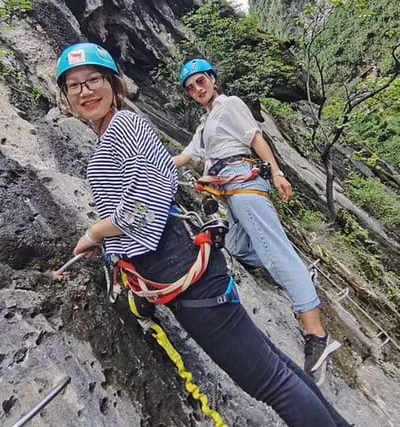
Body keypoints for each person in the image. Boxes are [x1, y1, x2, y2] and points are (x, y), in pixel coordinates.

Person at [55, 42, 350, 427]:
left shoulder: (123, 125)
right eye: (74, 85)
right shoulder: (120, 127)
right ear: (65, 95)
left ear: (113, 83)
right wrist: (110, 242)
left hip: (180, 269)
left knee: (268, 382)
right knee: (271, 366)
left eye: (93, 80)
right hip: (182, 262)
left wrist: (96, 233)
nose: (85, 91)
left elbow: (147, 197)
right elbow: (162, 173)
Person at [172, 58, 341, 382]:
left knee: (274, 254)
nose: (197, 89)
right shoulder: (205, 127)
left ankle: (317, 336)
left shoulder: (230, 105)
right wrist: (154, 165)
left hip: (242, 181)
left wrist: (277, 172)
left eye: (201, 81)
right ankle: (300, 274)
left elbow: (256, 138)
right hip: (228, 192)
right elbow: (188, 156)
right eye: (191, 87)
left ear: (212, 79)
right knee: (236, 246)